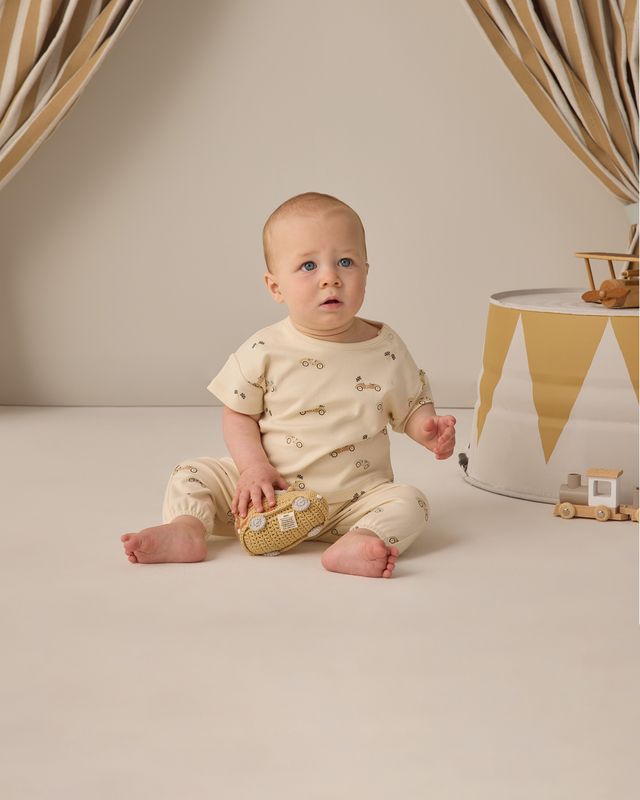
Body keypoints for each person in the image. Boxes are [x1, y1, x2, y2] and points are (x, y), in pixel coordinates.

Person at [121, 192, 456, 578]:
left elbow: (412, 405)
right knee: (192, 472)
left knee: (411, 501)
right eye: (308, 265)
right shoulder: (265, 348)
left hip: (355, 500)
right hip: (266, 495)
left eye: (345, 262)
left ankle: (359, 540)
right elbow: (238, 414)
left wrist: (428, 429)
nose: (330, 277)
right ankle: (188, 529)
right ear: (275, 286)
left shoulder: (386, 348)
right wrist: (252, 469)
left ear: (366, 269)